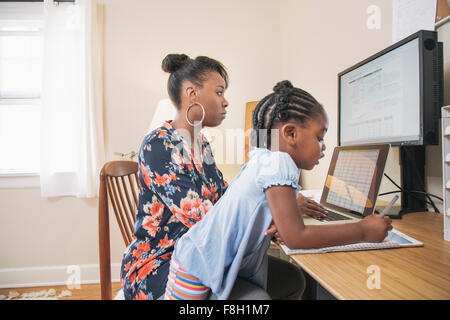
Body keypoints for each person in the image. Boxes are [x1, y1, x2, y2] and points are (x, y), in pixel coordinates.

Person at [164, 80, 393, 300]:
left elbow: (262, 208)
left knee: (293, 278)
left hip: (198, 262)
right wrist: (363, 231)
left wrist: (285, 214)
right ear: (290, 133)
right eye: (319, 138)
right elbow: (296, 238)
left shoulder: (265, 159)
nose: (323, 148)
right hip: (195, 274)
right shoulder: (279, 164)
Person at [120, 54, 318, 300]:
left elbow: (225, 196)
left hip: (206, 256)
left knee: (293, 278)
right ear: (192, 94)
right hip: (163, 263)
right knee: (256, 298)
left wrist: (278, 206)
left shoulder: (201, 143)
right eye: (219, 92)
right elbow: (204, 220)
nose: (225, 102)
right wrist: (275, 212)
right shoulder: (159, 145)